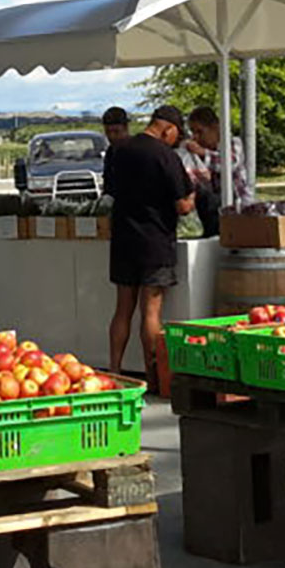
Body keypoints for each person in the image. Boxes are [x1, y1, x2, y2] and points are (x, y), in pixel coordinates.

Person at [104, 106, 193, 394]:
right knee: (151, 312)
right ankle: (154, 378)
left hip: (123, 240)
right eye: (175, 135)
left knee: (122, 310)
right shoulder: (166, 155)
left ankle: (115, 372)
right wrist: (193, 196)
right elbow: (182, 206)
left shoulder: (119, 151)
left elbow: (112, 192)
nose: (174, 141)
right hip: (155, 242)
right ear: (167, 129)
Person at [184, 105, 253, 234]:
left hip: (239, 212)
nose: (196, 138)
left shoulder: (233, 143)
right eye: (193, 133)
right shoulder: (205, 153)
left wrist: (202, 153)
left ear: (215, 128)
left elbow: (229, 163)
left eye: (200, 132)